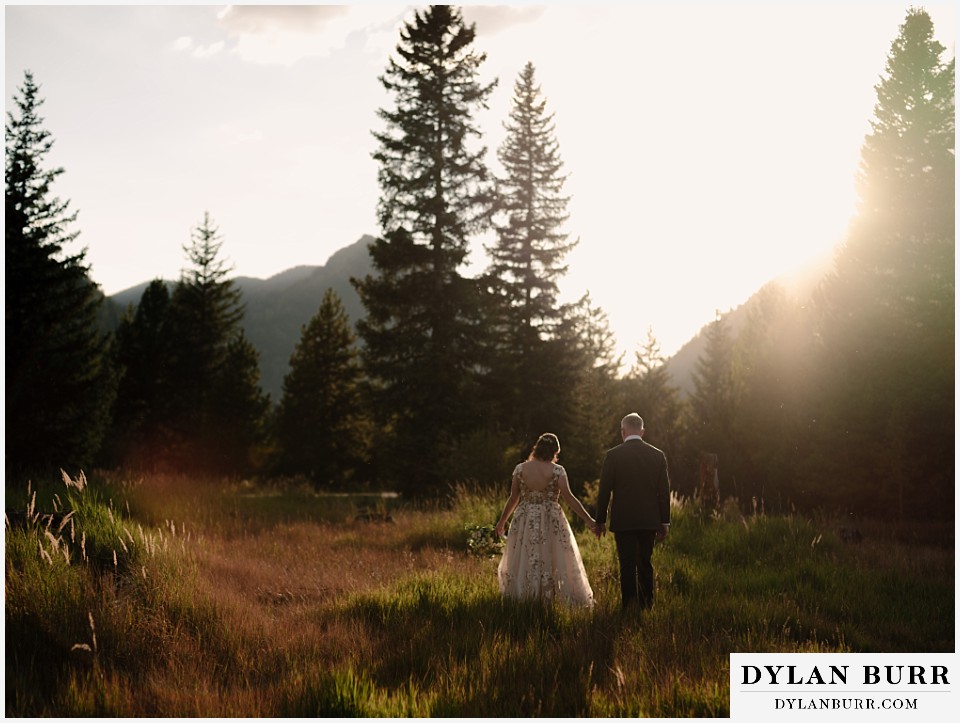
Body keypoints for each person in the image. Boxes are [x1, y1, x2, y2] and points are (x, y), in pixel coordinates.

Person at [495, 433, 596, 607]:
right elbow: (569, 498)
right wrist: (589, 520)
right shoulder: (557, 470)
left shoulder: (520, 469)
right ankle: (546, 601)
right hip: (551, 518)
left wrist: (502, 521)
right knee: (553, 557)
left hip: (525, 519)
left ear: (537, 447)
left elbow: (513, 498)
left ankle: (525, 600)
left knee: (525, 557)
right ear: (555, 451)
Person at [594, 413, 671, 610]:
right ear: (642, 432)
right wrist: (665, 522)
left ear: (623, 431)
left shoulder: (613, 455)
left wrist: (600, 520)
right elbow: (664, 493)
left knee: (627, 564)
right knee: (645, 561)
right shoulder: (658, 455)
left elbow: (604, 491)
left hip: (624, 520)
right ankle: (647, 605)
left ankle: (629, 606)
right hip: (649, 519)